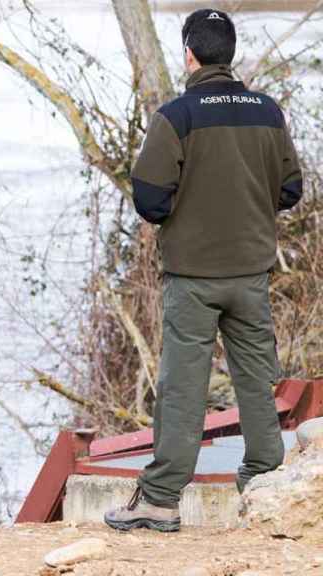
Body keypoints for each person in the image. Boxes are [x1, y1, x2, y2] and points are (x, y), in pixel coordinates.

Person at [104, 9, 303, 533]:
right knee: (258, 382)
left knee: (182, 387)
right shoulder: (267, 112)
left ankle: (161, 500)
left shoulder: (177, 115)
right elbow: (290, 190)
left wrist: (186, 209)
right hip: (251, 272)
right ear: (229, 53)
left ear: (189, 53)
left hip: (193, 276)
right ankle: (264, 484)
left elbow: (149, 198)